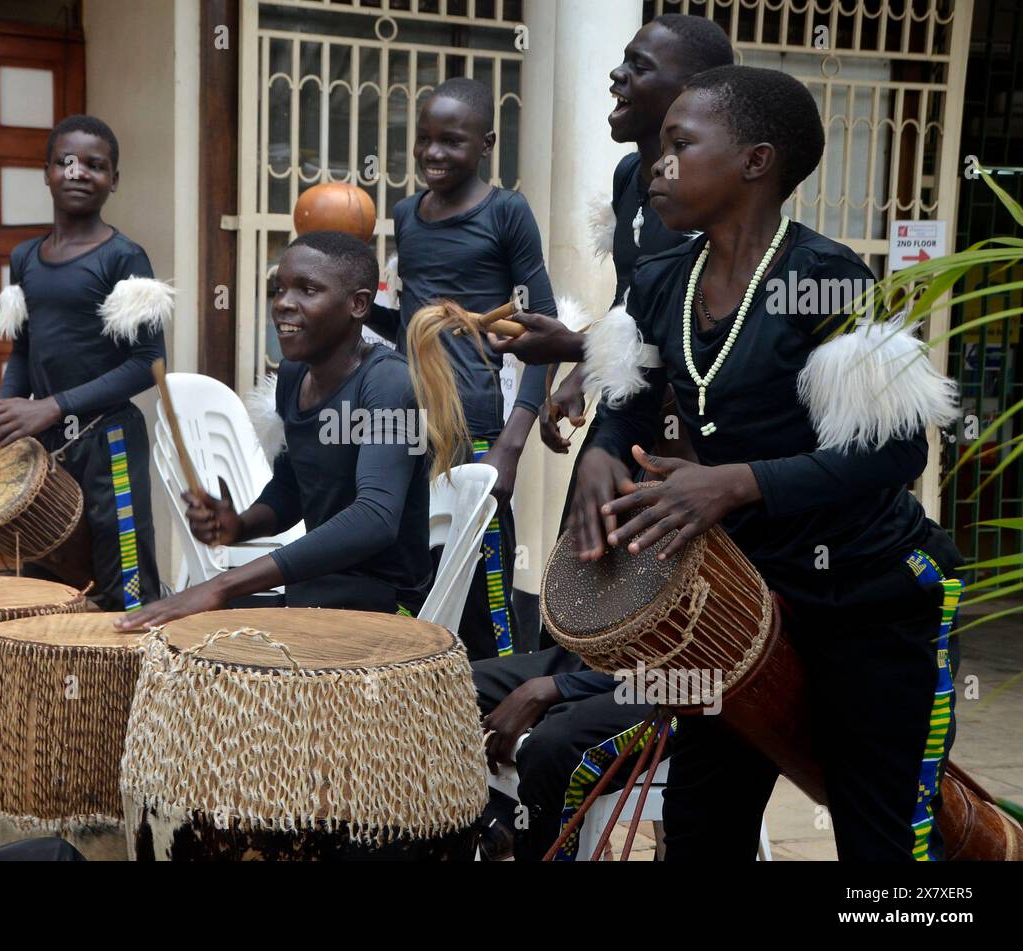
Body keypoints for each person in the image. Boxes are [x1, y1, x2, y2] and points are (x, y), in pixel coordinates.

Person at [570, 66, 963, 861]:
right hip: (743, 602)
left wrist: (738, 482)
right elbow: (625, 407)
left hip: (870, 595)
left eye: (681, 145)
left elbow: (895, 451)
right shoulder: (660, 280)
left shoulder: (825, 279)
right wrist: (600, 456)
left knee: (880, 839)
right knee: (700, 831)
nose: (658, 165)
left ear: (755, 162)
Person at [470, 15, 734, 861]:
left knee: (656, 618)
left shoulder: (725, 208)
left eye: (637, 66)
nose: (616, 78)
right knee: (591, 600)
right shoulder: (632, 181)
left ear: (692, 95)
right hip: (623, 437)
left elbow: (698, 348)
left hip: (685, 467)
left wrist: (574, 351)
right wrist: (584, 371)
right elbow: (634, 312)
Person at [117, 232, 431, 630]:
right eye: (279, 288)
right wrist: (240, 525)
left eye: (307, 290)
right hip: (318, 594)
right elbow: (292, 487)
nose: (282, 303)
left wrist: (223, 585)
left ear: (358, 304)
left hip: (388, 607)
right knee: (180, 633)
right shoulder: (294, 375)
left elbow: (375, 518)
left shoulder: (391, 384)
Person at [365, 77, 559, 660]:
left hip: (475, 426)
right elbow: (412, 324)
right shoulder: (406, 213)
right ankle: (423, 692)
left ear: (486, 144)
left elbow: (543, 328)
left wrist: (510, 446)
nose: (433, 153)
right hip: (409, 425)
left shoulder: (507, 212)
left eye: (451, 141)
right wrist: (348, 303)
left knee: (485, 587)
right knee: (415, 577)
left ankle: (501, 695)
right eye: (424, 138)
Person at [0, 115, 167, 613]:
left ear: (114, 179)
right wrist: (2, 422)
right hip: (46, 446)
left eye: (95, 165)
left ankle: (130, 662)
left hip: (110, 441)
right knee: (45, 578)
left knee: (125, 585)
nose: (79, 173)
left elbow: (148, 363)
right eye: (66, 162)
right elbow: (22, 350)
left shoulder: (125, 258)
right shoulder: (24, 257)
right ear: (47, 172)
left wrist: (51, 405)